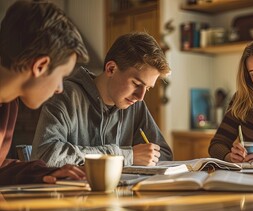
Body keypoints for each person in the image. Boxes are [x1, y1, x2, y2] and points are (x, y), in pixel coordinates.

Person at [31, 32, 173, 167]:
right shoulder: (66, 94)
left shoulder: (135, 105)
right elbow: (44, 155)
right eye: (136, 84)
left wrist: (144, 156)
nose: (140, 97)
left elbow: (164, 155)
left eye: (147, 88)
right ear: (111, 69)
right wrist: (124, 156)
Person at [0, 1, 89, 185]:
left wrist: (44, 173)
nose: (59, 88)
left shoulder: (9, 104)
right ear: (40, 66)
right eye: (61, 76)